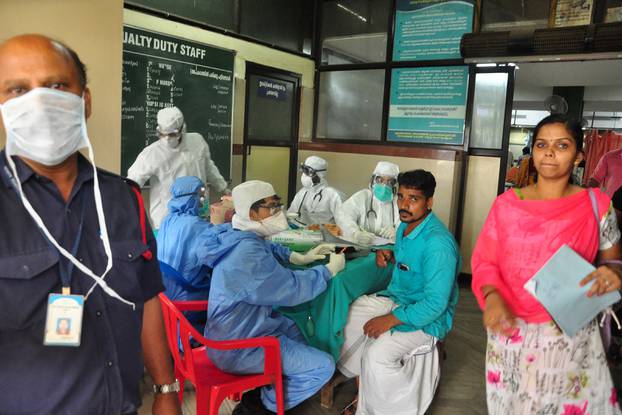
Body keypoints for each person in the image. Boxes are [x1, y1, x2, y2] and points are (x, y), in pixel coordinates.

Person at [0, 35, 180, 414]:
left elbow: (146, 300)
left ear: (85, 101)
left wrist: (166, 389)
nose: (40, 103)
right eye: (18, 90)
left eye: (56, 86)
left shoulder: (124, 198)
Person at [471, 114, 622, 415]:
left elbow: (614, 260)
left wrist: (612, 274)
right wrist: (492, 296)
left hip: (569, 333)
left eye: (562, 145)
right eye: (542, 144)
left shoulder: (597, 205)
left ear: (579, 156)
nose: (549, 152)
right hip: (510, 330)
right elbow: (486, 260)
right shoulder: (507, 205)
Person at [198, 180, 346, 414]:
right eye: (272, 207)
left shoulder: (236, 234)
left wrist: (297, 257)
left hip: (235, 330)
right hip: (239, 346)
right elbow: (291, 289)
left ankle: (271, 383)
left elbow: (265, 247)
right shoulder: (247, 256)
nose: (279, 212)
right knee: (323, 366)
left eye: (279, 205)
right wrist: (326, 271)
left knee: (302, 332)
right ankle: (261, 405)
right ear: (252, 213)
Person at [338, 170, 461, 415]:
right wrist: (393, 256)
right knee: (350, 317)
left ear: (429, 202)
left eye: (413, 199)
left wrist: (390, 320)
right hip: (399, 298)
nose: (404, 205)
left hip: (426, 316)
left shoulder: (438, 245)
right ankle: (365, 388)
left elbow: (436, 303)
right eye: (401, 197)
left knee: (377, 355)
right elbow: (413, 263)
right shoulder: (405, 227)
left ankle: (381, 409)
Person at [127, 106, 229, 229]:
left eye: (172, 134)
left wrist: (224, 188)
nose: (167, 139)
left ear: (182, 129)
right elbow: (131, 183)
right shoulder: (151, 154)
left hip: (200, 212)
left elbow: (209, 167)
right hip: (168, 220)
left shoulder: (197, 141)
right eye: (162, 134)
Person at [157, 176, 213, 305]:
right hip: (187, 300)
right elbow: (216, 255)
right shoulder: (198, 226)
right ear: (190, 198)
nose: (203, 202)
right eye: (201, 197)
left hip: (164, 297)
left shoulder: (167, 220)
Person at [335, 161, 400, 245]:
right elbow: (343, 215)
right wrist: (355, 233)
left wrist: (398, 233)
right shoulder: (362, 196)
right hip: (362, 246)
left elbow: (405, 224)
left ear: (395, 185)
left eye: (390, 182)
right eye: (380, 180)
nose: (384, 185)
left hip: (388, 248)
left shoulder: (398, 202)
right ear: (373, 180)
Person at [287, 155, 344, 226]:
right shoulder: (302, 192)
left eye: (307, 172)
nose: (304, 175)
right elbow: (291, 214)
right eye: (303, 170)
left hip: (324, 235)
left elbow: (343, 222)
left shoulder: (334, 195)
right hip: (301, 234)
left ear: (319, 174)